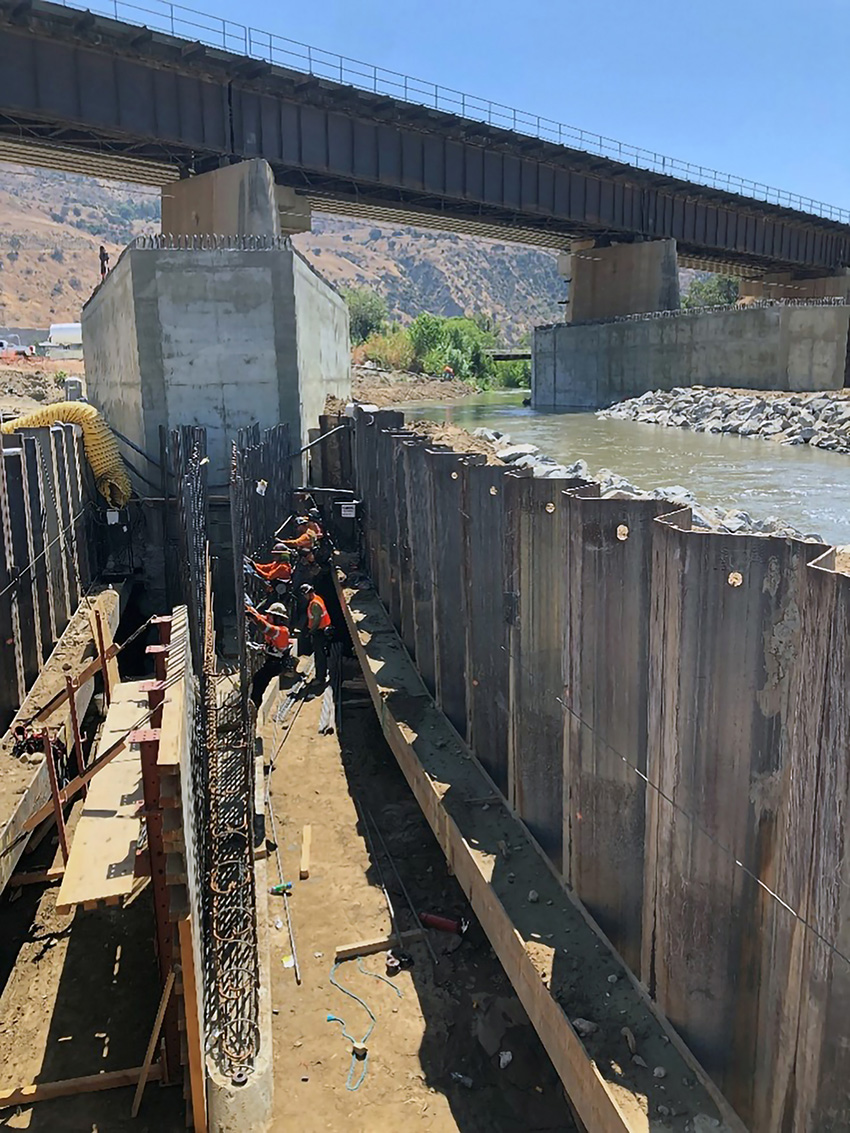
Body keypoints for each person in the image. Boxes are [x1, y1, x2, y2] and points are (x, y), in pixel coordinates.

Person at [245, 600, 295, 704]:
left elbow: (265, 628)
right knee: (258, 679)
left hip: (276, 664)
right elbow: (261, 618)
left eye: (270, 615)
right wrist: (249, 609)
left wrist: (254, 617)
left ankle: (256, 706)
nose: (268, 617)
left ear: (277, 618)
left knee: (259, 680)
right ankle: (255, 704)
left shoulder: (281, 631)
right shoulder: (274, 625)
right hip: (272, 662)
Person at [301, 583, 331, 686]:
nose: (304, 597)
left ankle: (320, 678)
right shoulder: (318, 599)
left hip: (319, 632)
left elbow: (317, 620)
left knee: (319, 656)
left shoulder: (315, 604)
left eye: (305, 595)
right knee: (321, 654)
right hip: (321, 630)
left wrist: (311, 631)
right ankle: (322, 675)